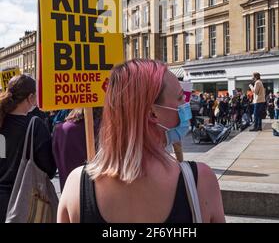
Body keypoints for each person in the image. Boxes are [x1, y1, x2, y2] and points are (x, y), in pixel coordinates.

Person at [58, 59, 225, 223]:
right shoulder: (200, 182)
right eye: (181, 98)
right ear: (153, 114)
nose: (186, 104)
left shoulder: (76, 185)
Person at [0, 74, 56, 223]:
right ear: (30, 97)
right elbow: (49, 169)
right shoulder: (34, 125)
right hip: (24, 201)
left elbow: (2, 156)